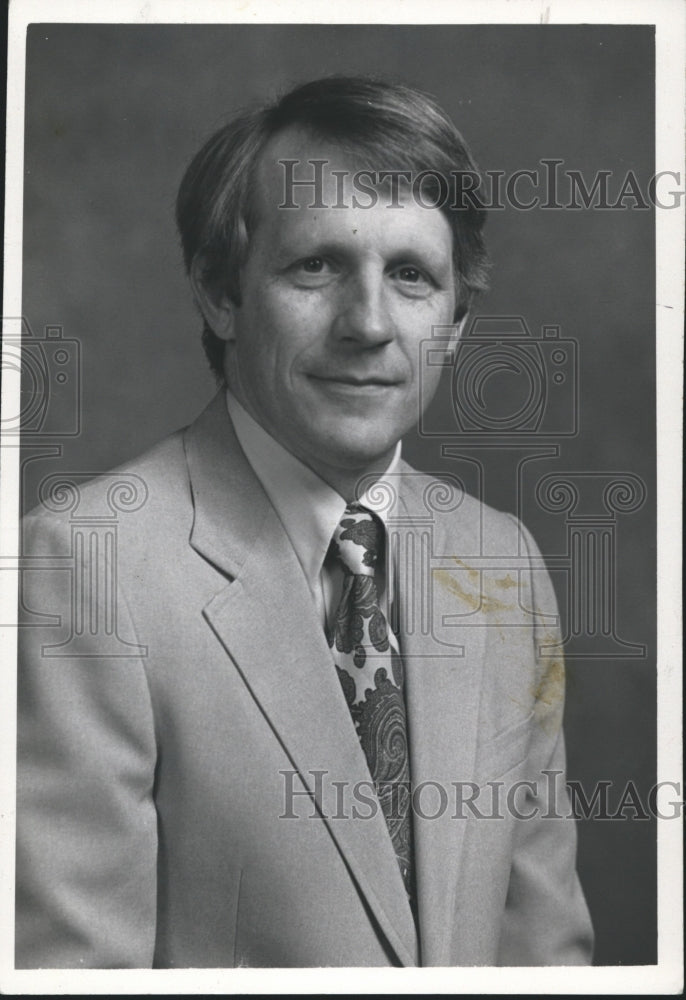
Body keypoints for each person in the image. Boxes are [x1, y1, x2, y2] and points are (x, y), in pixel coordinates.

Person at [16, 76, 593, 968]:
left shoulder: (502, 562)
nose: (368, 324)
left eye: (411, 276)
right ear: (220, 294)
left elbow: (544, 954)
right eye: (315, 266)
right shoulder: (85, 565)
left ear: (458, 321)